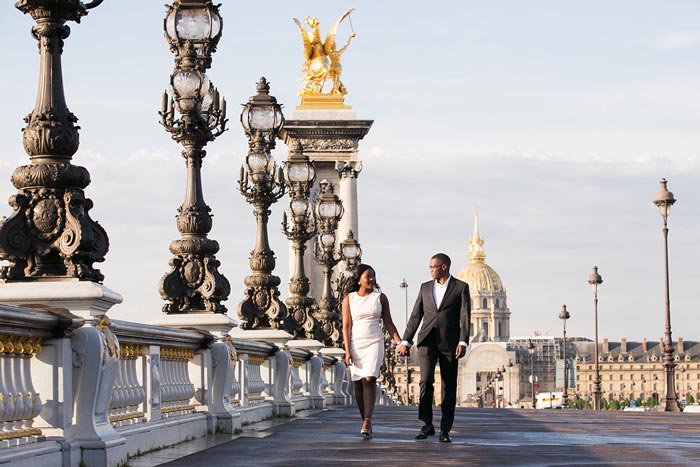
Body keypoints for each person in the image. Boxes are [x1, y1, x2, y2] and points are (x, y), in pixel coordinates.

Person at [397, 253, 471, 443]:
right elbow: (416, 316)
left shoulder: (461, 287)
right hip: (427, 341)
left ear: (444, 267)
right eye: (430, 267)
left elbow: (465, 317)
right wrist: (406, 340)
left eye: (434, 266)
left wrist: (463, 342)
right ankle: (427, 424)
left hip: (450, 343)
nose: (431, 270)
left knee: (448, 386)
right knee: (425, 381)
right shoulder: (425, 288)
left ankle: (445, 429)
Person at [342, 263, 401, 439]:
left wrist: (399, 342)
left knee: (369, 379)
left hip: (375, 341)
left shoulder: (380, 298)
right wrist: (347, 350)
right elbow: (346, 326)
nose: (372, 279)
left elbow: (388, 322)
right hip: (356, 344)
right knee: (358, 383)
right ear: (359, 279)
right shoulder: (349, 299)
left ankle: (367, 420)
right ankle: (365, 420)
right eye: (368, 276)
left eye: (373, 276)